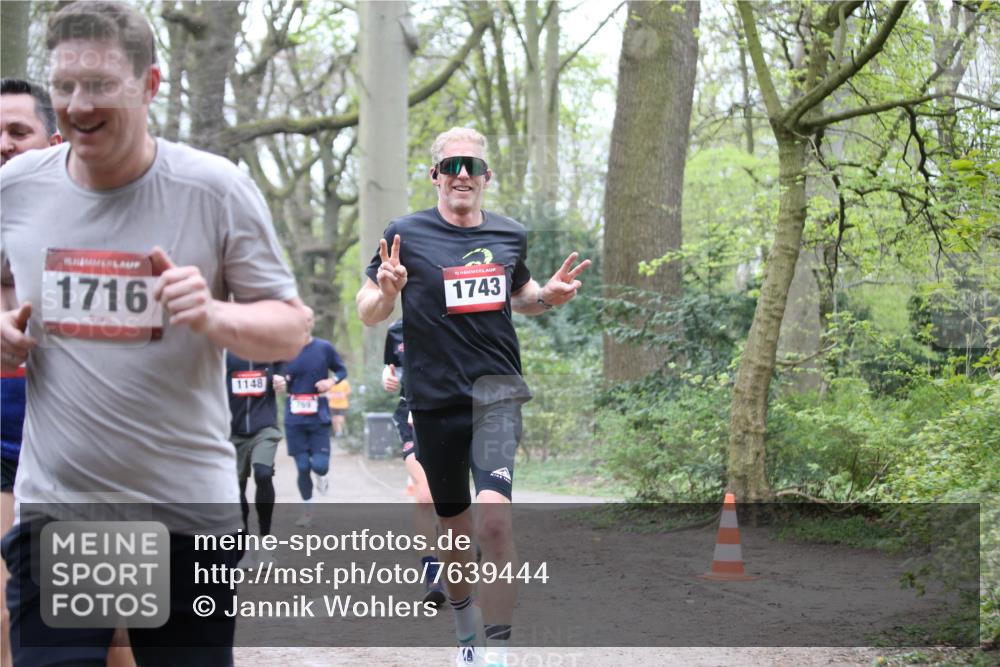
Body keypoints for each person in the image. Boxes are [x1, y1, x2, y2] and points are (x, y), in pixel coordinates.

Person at [0, 3, 310, 665]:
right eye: (65, 86)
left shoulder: (212, 189)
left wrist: (213, 315)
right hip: (64, 511)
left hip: (184, 519)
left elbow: (291, 327)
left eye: (102, 84)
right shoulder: (17, 189)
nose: (79, 105)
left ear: (150, 84)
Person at [356, 127, 590, 667]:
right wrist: (387, 291)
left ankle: (500, 654)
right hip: (434, 399)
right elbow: (369, 308)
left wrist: (546, 298)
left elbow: (521, 293)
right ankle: (466, 635)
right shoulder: (405, 234)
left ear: (487, 176)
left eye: (474, 166)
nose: (464, 174)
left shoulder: (510, 234)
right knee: (456, 530)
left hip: (497, 394)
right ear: (436, 174)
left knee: (493, 523)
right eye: (453, 165)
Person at [0, 76, 62, 667]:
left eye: (18, 131)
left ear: (57, 139)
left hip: (81, 446)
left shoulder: (97, 217)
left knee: (114, 624)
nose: (4, 144)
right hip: (5, 436)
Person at [382, 318, 446, 607]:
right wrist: (387, 378)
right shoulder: (395, 330)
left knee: (450, 499)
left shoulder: (452, 318)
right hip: (410, 415)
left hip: (450, 411)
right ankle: (433, 575)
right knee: (424, 496)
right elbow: (391, 369)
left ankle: (461, 545)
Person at [276, 310, 347, 527]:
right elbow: (276, 375)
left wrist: (331, 382)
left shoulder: (323, 348)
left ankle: (323, 477)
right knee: (302, 467)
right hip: (294, 418)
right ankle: (307, 512)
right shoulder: (284, 350)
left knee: (320, 465)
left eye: (308, 320)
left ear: (312, 322)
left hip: (319, 416)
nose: (304, 324)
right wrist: (278, 382)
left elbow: (341, 370)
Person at [225, 352, 284, 567]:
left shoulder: (268, 348)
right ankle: (244, 547)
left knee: (263, 473)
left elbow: (285, 363)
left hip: (265, 427)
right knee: (236, 491)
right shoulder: (224, 352)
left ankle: (265, 543)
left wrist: (280, 376)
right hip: (232, 430)